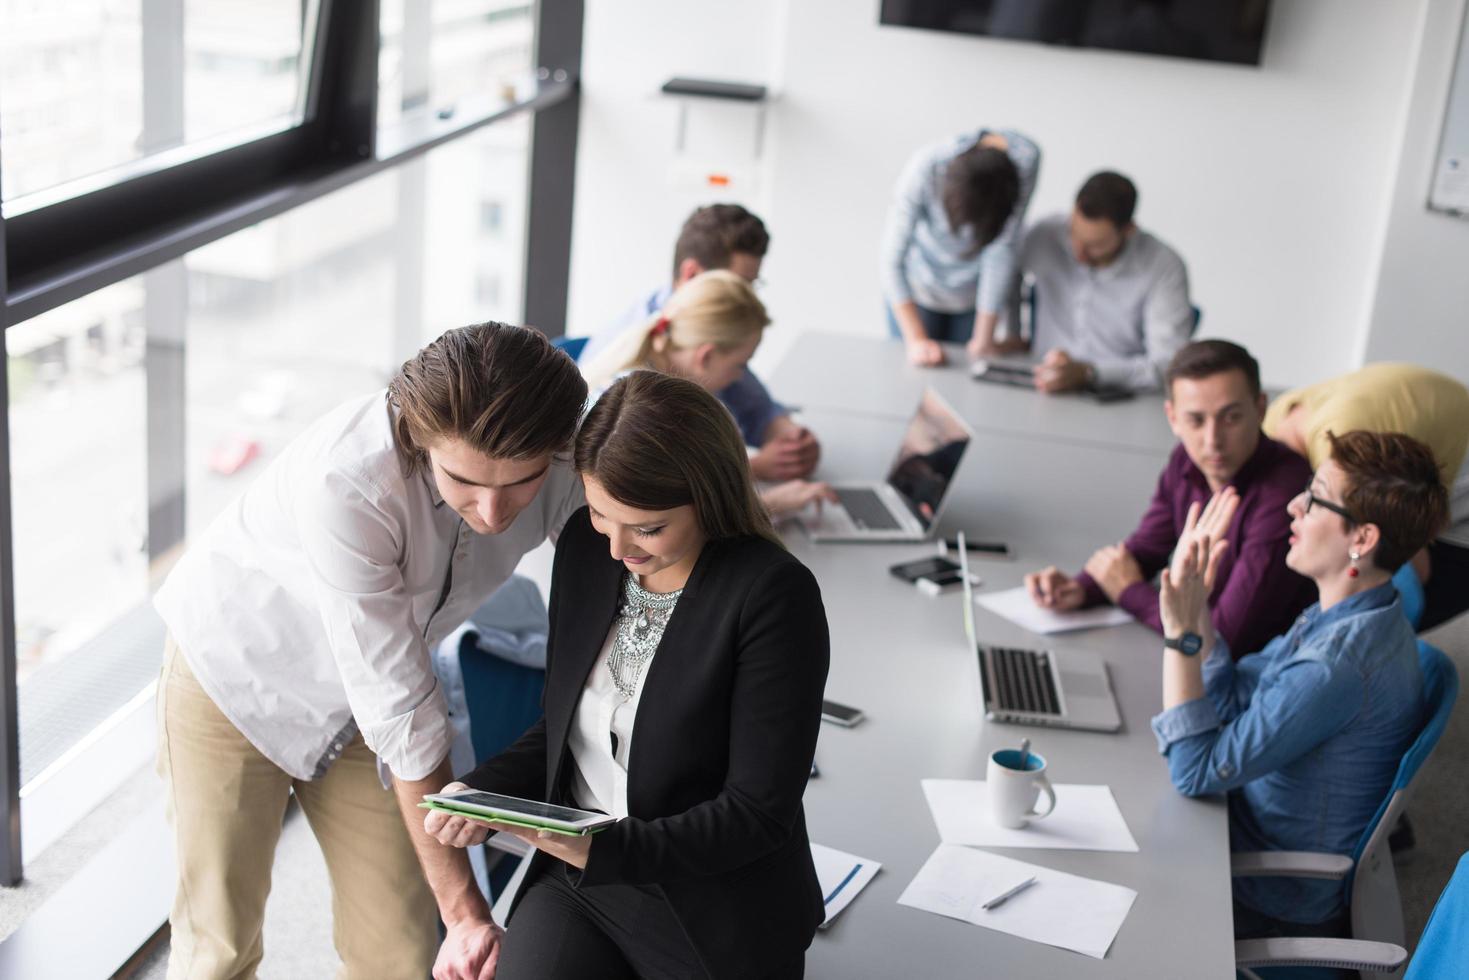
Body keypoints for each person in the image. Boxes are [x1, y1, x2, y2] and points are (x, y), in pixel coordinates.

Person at [152, 323, 588, 980]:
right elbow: (406, 715)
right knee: (219, 946)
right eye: (464, 481)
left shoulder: (560, 453)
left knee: (401, 948)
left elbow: (612, 562)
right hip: (234, 680)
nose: (495, 513)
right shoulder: (349, 484)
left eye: (520, 484)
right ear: (418, 439)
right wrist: (470, 914)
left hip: (369, 706)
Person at [425, 370, 831, 979]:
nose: (617, 549)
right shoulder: (588, 555)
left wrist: (604, 847)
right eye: (598, 515)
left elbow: (756, 814)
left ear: (709, 496)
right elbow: (561, 728)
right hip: (583, 884)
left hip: (713, 902)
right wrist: (484, 792)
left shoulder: (772, 594)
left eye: (648, 528)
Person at [1151, 430, 1448, 956]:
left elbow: (1194, 771)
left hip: (1263, 890)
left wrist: (1180, 636)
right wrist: (1198, 610)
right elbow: (1238, 692)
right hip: (1240, 819)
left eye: (1314, 497)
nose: (1293, 506)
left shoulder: (1335, 665)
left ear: (1362, 539)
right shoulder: (1364, 611)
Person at [1025, 340, 1314, 656]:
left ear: (1259, 409)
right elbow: (1149, 548)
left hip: (1253, 678)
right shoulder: (1186, 460)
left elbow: (1223, 637)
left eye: (1231, 418)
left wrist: (1129, 592)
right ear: (1172, 417)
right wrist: (1082, 588)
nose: (1212, 440)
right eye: (1196, 420)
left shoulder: (1285, 495)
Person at [584, 203, 820, 483]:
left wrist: (791, 440)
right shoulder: (635, 390)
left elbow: (752, 404)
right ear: (694, 275)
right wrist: (751, 469)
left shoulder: (690, 342)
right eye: (740, 284)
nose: (748, 298)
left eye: (753, 286)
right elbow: (655, 489)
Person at [582, 269, 836, 518]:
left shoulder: (645, 367)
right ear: (706, 356)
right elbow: (679, 525)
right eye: (740, 364)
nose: (740, 376)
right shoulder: (644, 411)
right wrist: (774, 503)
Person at [1264, 362, 1469, 630]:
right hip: (1445, 409)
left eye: (1313, 496)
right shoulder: (1273, 421)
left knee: (1417, 586)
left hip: (1462, 465)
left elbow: (1416, 566)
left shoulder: (1339, 458)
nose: (1295, 506)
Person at [1011, 171, 1194, 394]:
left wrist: (1090, 372)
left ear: (1128, 230)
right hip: (1038, 382)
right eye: (1074, 235)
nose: (1079, 253)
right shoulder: (1045, 234)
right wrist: (1011, 332)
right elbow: (1004, 272)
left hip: (1120, 394)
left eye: (1095, 245)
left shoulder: (1163, 265)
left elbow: (1167, 364)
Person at [879, 127, 1040, 367]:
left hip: (972, 299)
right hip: (918, 289)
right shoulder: (926, 167)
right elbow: (891, 260)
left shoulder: (1025, 161)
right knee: (913, 377)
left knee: (964, 383)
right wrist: (916, 341)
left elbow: (1002, 249)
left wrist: (983, 339)